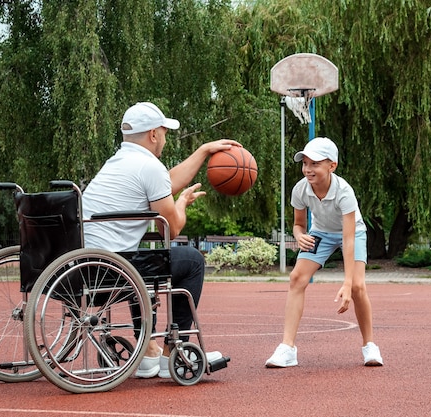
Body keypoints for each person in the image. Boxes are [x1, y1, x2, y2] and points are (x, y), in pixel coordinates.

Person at [82, 101, 240, 378]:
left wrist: (203, 152)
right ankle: (171, 352)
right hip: (112, 270)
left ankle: (147, 351)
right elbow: (174, 228)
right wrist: (181, 204)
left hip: (84, 267)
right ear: (153, 134)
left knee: (143, 258)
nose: (165, 139)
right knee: (190, 260)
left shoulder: (119, 163)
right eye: (164, 132)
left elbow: (163, 181)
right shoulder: (148, 166)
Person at [265, 137, 384, 368]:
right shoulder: (300, 189)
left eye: (315, 164)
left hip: (352, 232)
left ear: (332, 166)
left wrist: (347, 283)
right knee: (297, 278)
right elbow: (298, 224)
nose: (308, 169)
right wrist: (299, 236)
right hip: (321, 232)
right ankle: (287, 348)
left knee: (359, 287)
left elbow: (348, 240)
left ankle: (370, 345)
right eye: (305, 163)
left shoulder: (344, 192)